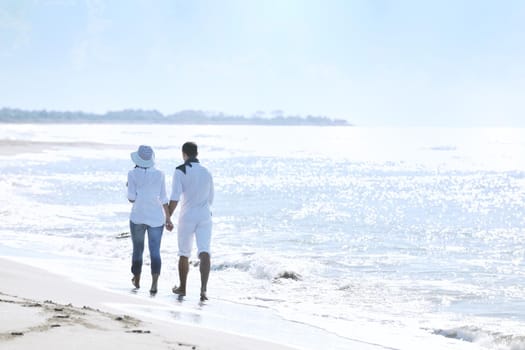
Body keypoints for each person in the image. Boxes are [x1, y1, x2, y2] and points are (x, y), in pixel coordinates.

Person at [168, 141, 214, 301]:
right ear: (197, 154)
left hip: (187, 216)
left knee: (184, 253)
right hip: (205, 215)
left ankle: (182, 288)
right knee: (204, 251)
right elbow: (210, 199)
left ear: (184, 154)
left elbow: (175, 196)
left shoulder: (180, 171)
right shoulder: (207, 171)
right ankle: (203, 290)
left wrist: (167, 217)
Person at [127, 145, 173, 294]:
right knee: (155, 251)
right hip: (156, 218)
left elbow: (131, 198)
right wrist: (168, 218)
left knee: (137, 249)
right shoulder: (160, 174)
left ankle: (137, 279)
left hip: (138, 216)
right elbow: (164, 198)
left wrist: (129, 186)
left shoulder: (132, 174)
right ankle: (154, 284)